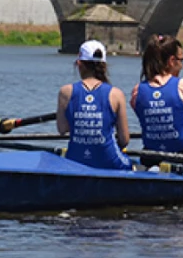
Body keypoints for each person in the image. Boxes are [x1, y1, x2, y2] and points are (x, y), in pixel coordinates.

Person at [131, 34, 183, 165]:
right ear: (172, 61)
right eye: (181, 60)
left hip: (151, 156)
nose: (182, 66)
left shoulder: (137, 92)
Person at [56, 40, 133, 170]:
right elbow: (124, 140)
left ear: (79, 64)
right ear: (104, 65)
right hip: (110, 161)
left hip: (75, 159)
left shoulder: (65, 92)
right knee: (133, 165)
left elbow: (62, 129)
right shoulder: (116, 94)